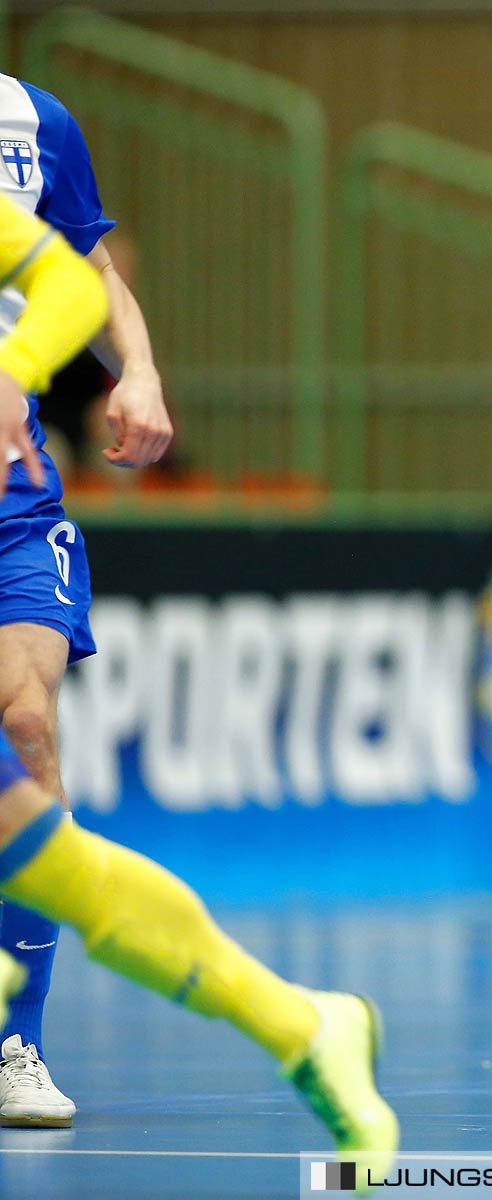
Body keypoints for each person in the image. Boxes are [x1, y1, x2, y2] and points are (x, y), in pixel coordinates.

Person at [0, 193, 396, 1180]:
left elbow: (63, 275)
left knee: (34, 830)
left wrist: (25, 373)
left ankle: (298, 1023)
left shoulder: (31, 137)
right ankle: (306, 1023)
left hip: (14, 513)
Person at [0, 71, 173, 1126]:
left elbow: (93, 269)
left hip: (14, 496)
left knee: (27, 723)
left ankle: (17, 1046)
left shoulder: (36, 121)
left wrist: (137, 370)